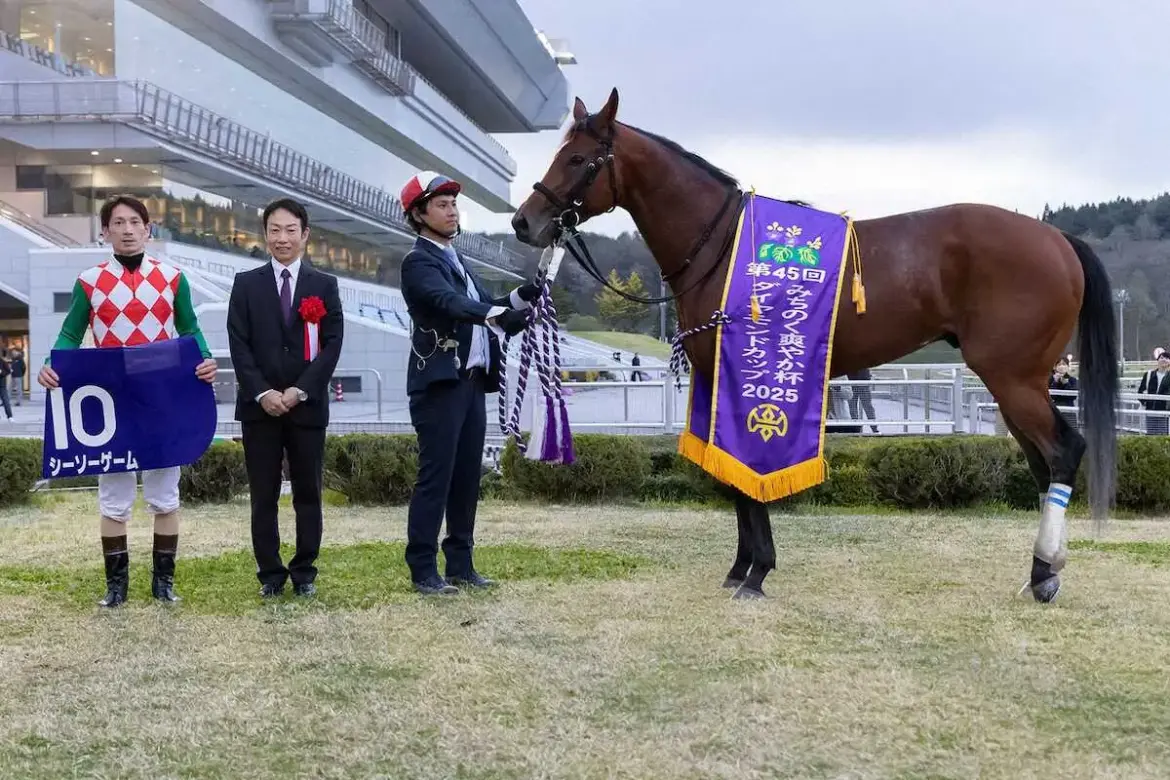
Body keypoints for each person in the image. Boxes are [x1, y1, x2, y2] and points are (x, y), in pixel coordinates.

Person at [37, 195, 217, 607]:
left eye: (135, 221)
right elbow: (70, 333)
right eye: (118, 222)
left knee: (164, 495)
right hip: (112, 402)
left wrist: (205, 361)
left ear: (148, 229)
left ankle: (163, 584)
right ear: (105, 232)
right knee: (114, 496)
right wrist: (51, 364)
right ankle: (116, 588)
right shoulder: (89, 281)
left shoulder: (173, 278)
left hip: (160, 398)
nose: (128, 229)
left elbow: (190, 328)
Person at [398, 171, 536, 595]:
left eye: (454, 204)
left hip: (471, 383)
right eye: (441, 204)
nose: (452, 211)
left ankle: (461, 563)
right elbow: (449, 302)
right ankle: (423, 569)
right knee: (436, 478)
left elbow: (483, 305)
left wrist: (519, 298)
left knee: (465, 479)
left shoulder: (456, 259)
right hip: (440, 384)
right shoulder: (419, 261)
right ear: (419, 214)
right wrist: (494, 314)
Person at [226, 198, 343, 599]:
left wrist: (299, 390)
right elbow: (239, 346)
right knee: (264, 495)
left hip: (307, 406)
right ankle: (271, 574)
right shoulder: (246, 284)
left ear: (305, 234)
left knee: (308, 492)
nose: (282, 238)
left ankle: (305, 570)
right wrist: (262, 392)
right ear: (265, 235)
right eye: (274, 230)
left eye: (290, 230)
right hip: (260, 409)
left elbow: (331, 346)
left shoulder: (325, 286)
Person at [1137, 350, 1170, 435]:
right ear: (1157, 360)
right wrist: (1145, 402)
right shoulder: (1148, 375)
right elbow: (1140, 392)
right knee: (1151, 435)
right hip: (1150, 411)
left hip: (1165, 412)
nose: (1164, 360)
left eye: (1167, 358)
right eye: (1162, 357)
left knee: (1163, 436)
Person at [847, 367, 879, 433]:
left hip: (863, 381)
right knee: (853, 407)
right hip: (852, 381)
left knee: (867, 406)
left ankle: (874, 428)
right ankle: (855, 428)